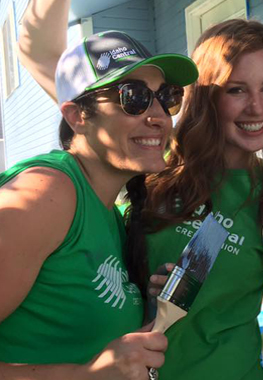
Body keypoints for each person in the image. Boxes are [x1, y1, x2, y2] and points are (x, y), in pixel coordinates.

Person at [17, 2, 263, 379]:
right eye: (236, 89)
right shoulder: (150, 163)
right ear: (207, 98)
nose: (256, 107)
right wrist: (149, 295)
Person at [1, 2, 199, 379]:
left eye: (167, 96)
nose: (158, 115)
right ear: (77, 116)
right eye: (134, 96)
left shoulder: (108, 211)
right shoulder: (46, 194)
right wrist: (86, 374)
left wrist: (148, 307)